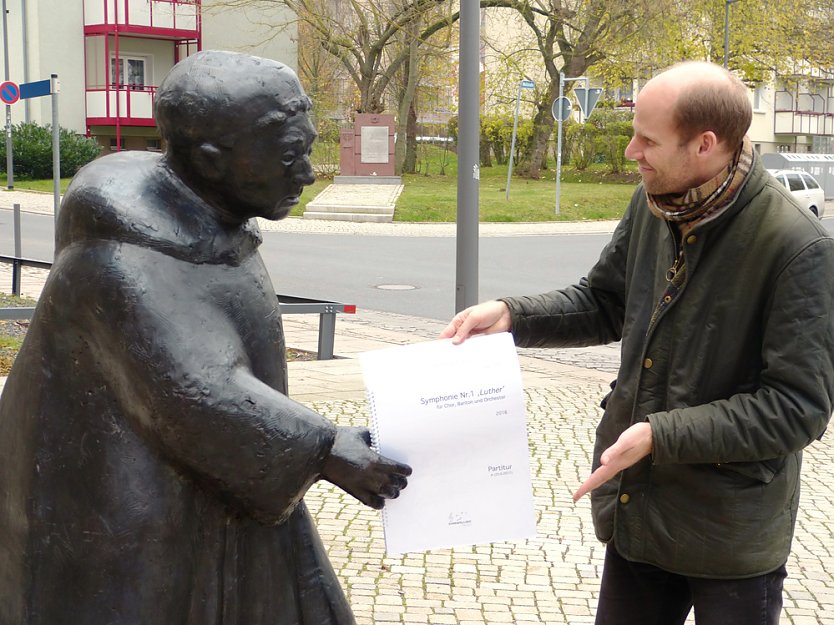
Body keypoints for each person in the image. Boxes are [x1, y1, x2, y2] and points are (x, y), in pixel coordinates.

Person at [0, 50, 410, 625]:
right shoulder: (119, 260)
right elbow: (193, 394)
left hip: (209, 498)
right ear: (214, 161)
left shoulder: (212, 221)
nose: (308, 173)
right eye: (289, 156)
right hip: (124, 520)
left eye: (308, 148)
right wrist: (326, 449)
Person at [441, 61, 834, 624]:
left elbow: (797, 410)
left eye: (647, 139)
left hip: (730, 535)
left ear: (704, 144)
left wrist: (660, 434)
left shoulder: (798, 247)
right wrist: (511, 315)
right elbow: (605, 302)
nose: (631, 152)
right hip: (640, 514)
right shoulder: (655, 203)